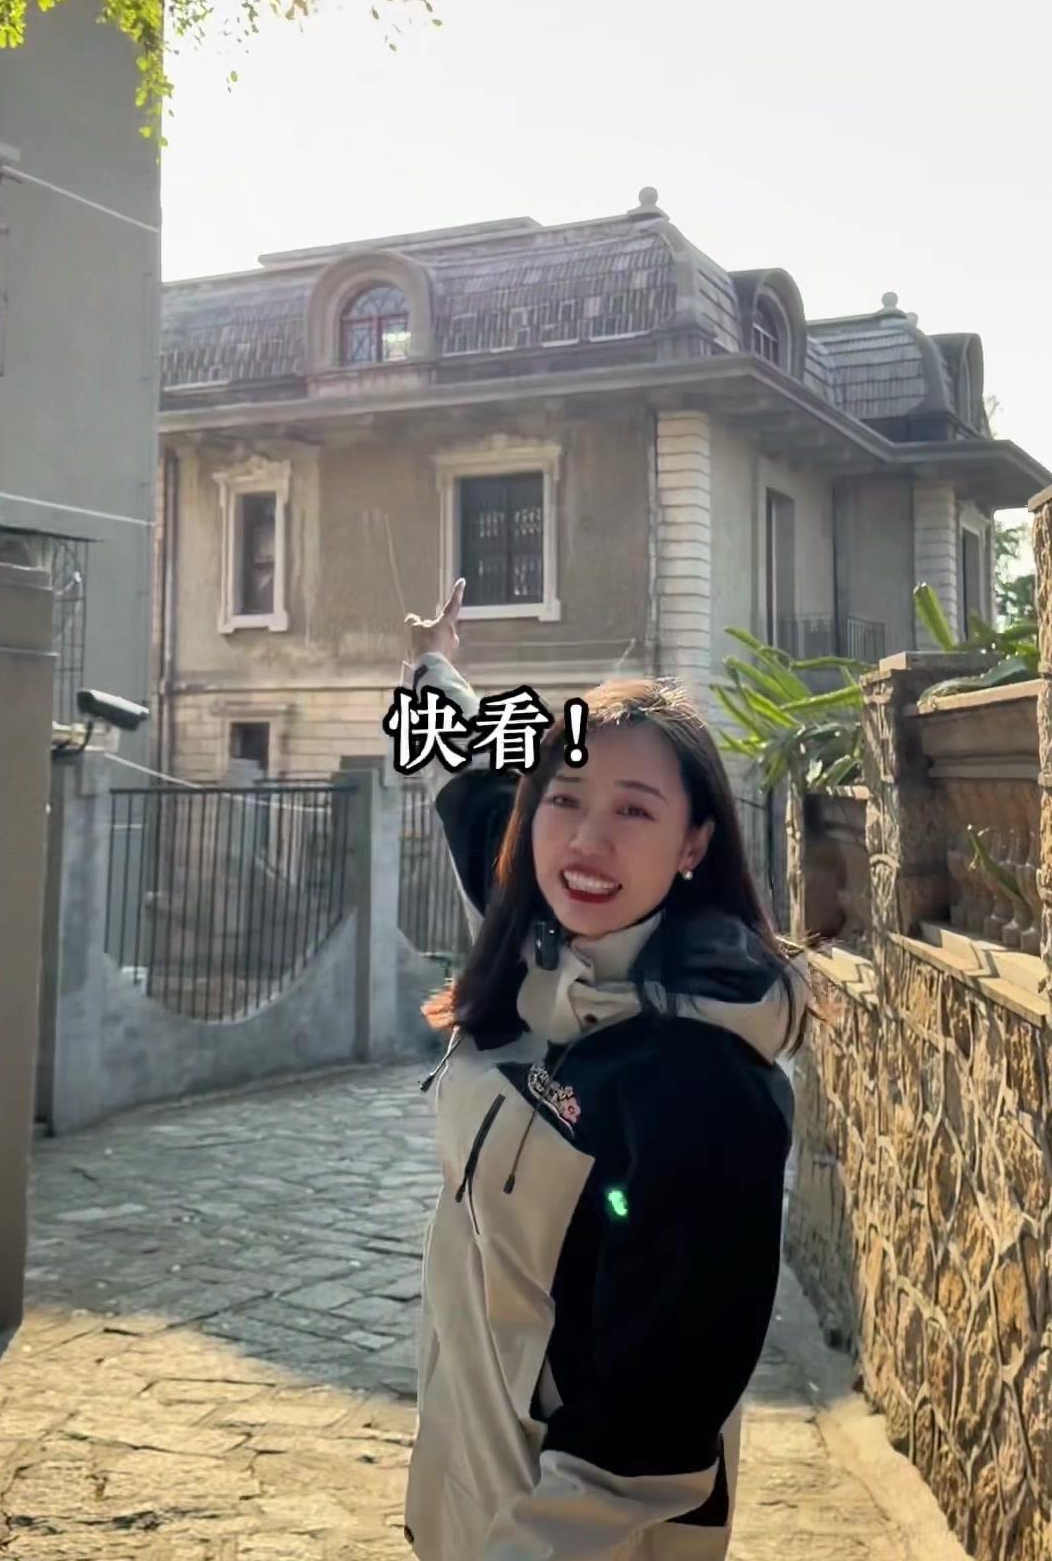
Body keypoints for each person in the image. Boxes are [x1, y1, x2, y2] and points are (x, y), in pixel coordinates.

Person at [399, 580, 813, 1561]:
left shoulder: (705, 1083)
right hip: (466, 1488)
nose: (587, 840)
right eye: (565, 799)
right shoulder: (541, 933)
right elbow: (468, 775)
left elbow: (648, 1435)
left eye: (634, 809)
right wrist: (430, 664)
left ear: (694, 842)